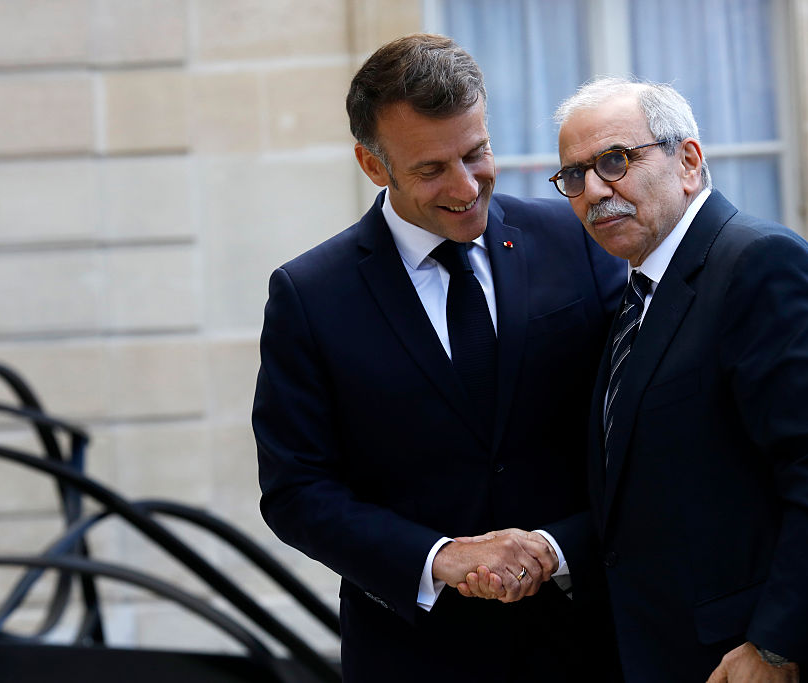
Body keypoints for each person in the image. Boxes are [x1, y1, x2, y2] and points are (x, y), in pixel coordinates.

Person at [461, 76, 808, 682]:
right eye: (574, 176)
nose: (595, 191)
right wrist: (549, 549)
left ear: (688, 160)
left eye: (615, 160)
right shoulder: (638, 294)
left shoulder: (760, 263)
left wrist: (776, 644)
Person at [252, 35, 624, 681]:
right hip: (415, 655)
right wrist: (439, 556)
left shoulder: (576, 238)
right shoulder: (309, 295)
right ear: (374, 165)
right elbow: (296, 490)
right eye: (431, 169)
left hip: (591, 639)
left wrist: (757, 327)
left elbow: (652, 383)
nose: (465, 186)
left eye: (476, 152)